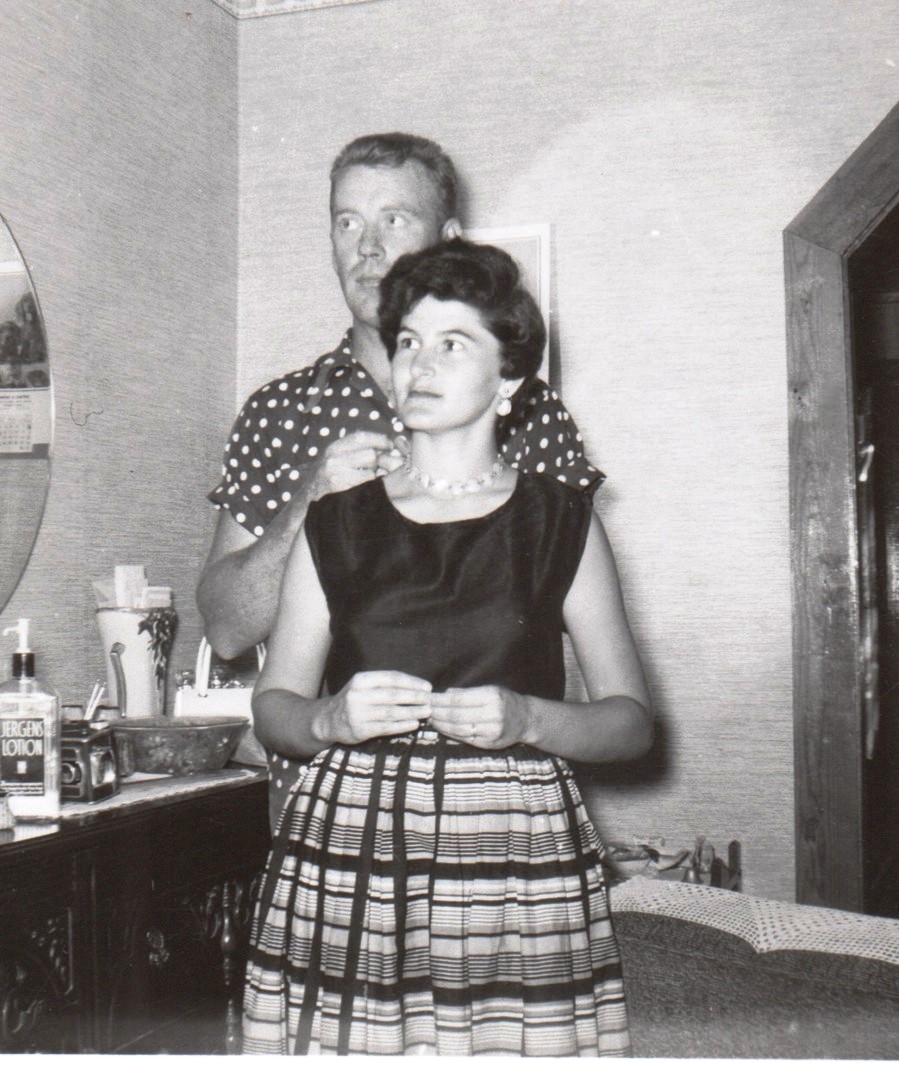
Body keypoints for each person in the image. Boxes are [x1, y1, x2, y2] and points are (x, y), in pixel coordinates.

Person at [242, 238, 652, 1057]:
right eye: (407, 342)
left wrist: (528, 718)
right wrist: (327, 719)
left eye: (452, 344)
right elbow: (273, 709)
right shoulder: (336, 522)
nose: (419, 365)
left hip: (513, 854)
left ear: (508, 380)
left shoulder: (560, 521)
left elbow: (631, 724)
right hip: (352, 848)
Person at [197, 133, 604, 666]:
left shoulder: (529, 411)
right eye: (348, 222)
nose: (367, 247)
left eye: (394, 219)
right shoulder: (279, 414)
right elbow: (227, 631)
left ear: (448, 241)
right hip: (325, 721)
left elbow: (580, 635)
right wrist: (309, 503)